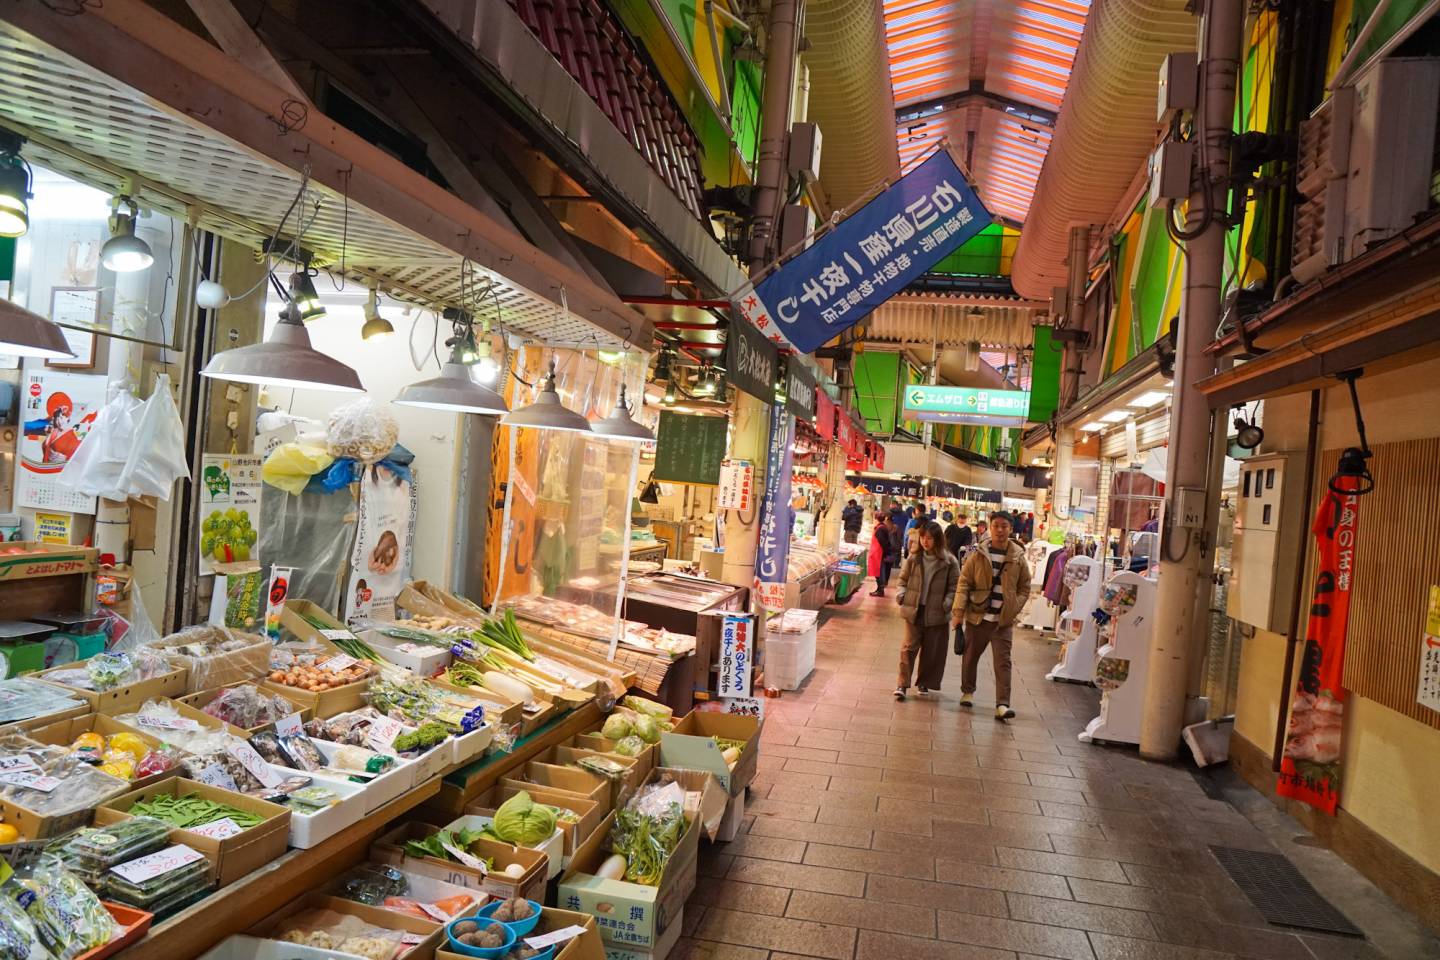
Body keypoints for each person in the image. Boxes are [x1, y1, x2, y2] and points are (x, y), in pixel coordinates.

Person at [951, 510, 1031, 720]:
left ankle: (1002, 705)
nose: (1000, 530)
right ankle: (967, 691)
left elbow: (1025, 587)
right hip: (978, 616)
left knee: (1003, 662)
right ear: (989, 527)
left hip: (1002, 620)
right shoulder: (978, 553)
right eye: (996, 526)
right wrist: (958, 612)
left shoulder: (1018, 557)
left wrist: (1014, 607)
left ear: (1011, 529)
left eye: (1004, 526)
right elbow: (964, 582)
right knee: (970, 657)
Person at [894, 520, 959, 700]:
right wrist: (902, 595)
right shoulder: (914, 558)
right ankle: (902, 684)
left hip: (937, 612)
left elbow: (955, 586)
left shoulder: (949, 561)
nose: (925, 541)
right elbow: (902, 580)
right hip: (914, 610)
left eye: (929, 538)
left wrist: (947, 603)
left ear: (938, 540)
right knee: (908, 648)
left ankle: (924, 682)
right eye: (922, 537)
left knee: (932, 651)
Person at [867, 512, 895, 596]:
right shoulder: (882, 527)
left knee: (879, 573)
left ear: (876, 519)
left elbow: (884, 543)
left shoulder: (880, 529)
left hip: (878, 555)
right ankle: (879, 589)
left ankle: (880, 590)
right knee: (878, 573)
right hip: (878, 554)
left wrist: (885, 554)